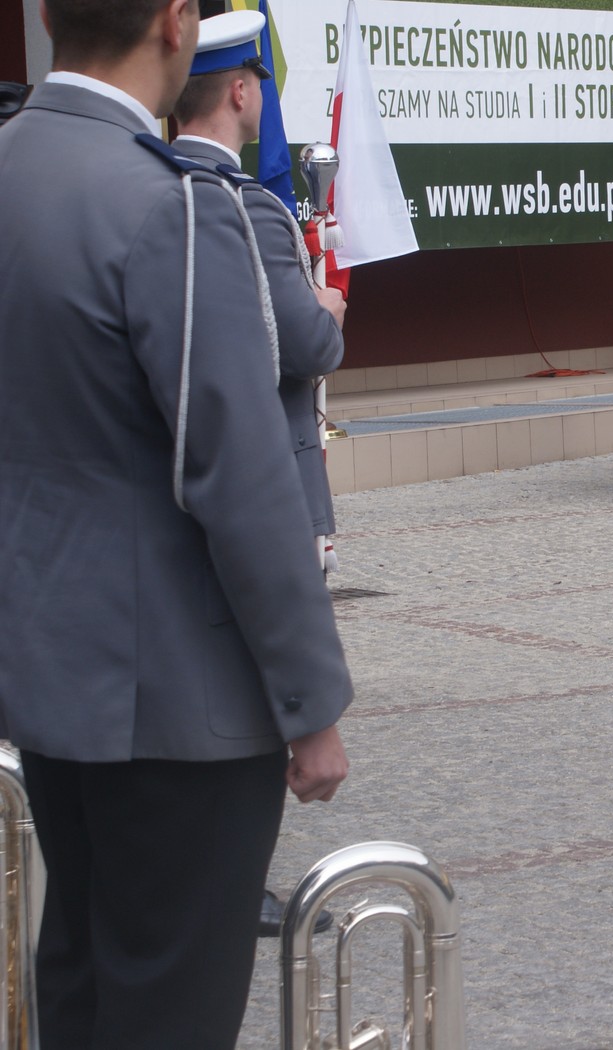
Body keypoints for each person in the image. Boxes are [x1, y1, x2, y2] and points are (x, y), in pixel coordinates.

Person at [0, 2, 352, 1045]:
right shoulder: (173, 207)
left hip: (46, 672)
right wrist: (311, 700)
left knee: (81, 981)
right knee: (170, 1009)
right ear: (176, 22)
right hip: (177, 696)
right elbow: (238, 476)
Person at [171, 7, 350, 941]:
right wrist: (328, 308)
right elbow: (301, 345)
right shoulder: (246, 207)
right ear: (242, 93)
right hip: (263, 476)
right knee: (248, 688)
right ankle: (235, 883)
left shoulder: (156, 186)